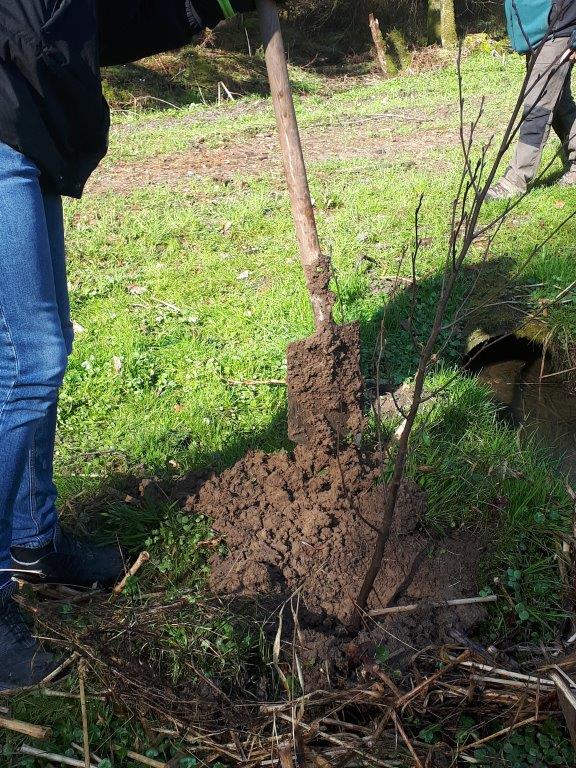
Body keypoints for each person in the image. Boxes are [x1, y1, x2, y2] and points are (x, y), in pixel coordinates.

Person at [0, 0, 268, 690]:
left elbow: (81, 26)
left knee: (37, 349)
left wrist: (205, 7)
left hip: (28, 130)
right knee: (27, 358)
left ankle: (33, 540)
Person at [487, 0, 576, 199]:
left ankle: (515, 180)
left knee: (537, 106)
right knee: (559, 103)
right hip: (538, 33)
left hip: (560, 29)